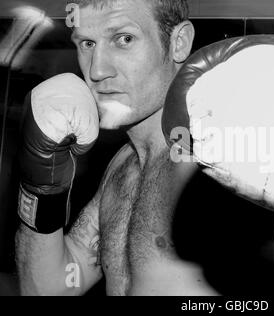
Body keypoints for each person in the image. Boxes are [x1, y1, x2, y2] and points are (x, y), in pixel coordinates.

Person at [15, 0, 218, 296]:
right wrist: (38, 187)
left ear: (179, 43)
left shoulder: (215, 162)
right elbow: (50, 289)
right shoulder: (122, 165)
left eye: (123, 39)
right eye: (87, 43)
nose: (97, 71)